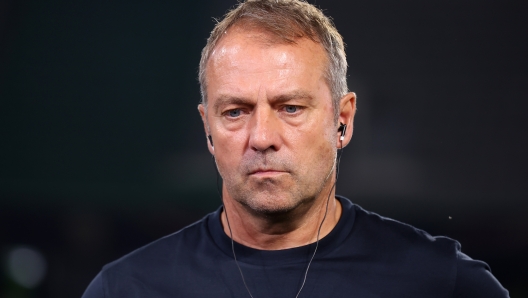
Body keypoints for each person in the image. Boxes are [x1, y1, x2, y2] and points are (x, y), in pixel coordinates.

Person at [82, 0, 509, 297]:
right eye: (235, 112)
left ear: (343, 120)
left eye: (290, 107)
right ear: (207, 129)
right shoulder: (127, 288)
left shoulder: (438, 282)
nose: (262, 136)